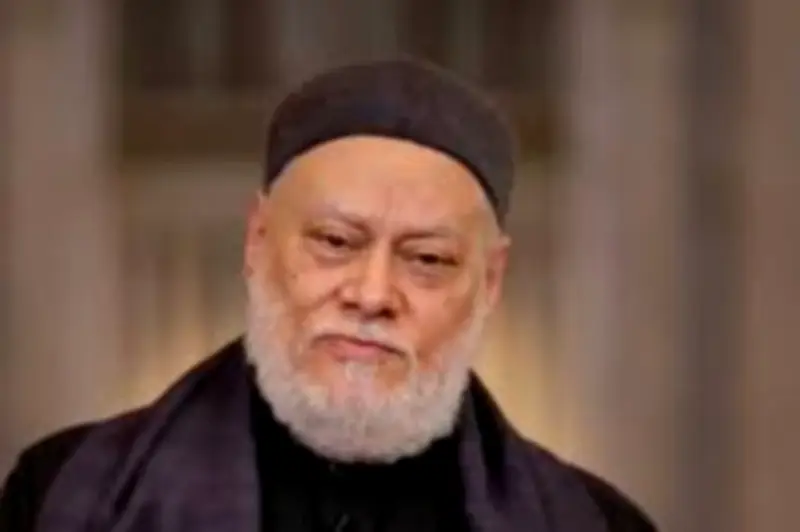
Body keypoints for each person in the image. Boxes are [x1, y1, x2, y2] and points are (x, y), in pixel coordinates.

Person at [0, 59, 657, 532]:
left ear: (489, 281)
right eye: (336, 242)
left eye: (427, 259)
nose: (371, 295)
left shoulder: (593, 522)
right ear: (257, 241)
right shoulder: (69, 496)